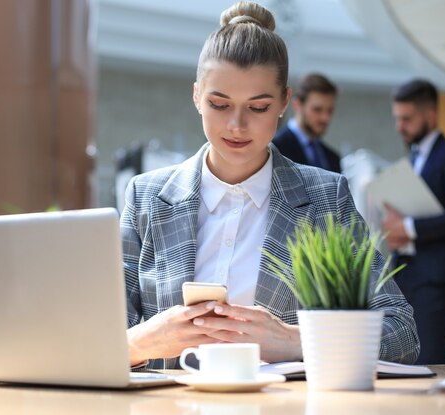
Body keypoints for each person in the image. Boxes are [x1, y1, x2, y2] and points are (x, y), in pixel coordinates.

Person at [121, 1, 419, 370]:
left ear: (284, 103)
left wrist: (294, 341)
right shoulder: (146, 197)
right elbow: (94, 338)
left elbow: (402, 333)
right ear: (197, 96)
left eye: (258, 108)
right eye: (219, 104)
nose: (236, 125)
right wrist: (146, 340)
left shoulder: (326, 199)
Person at [383, 79, 445, 364]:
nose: (400, 126)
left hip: (439, 275)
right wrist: (396, 229)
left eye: (407, 119)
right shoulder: (415, 157)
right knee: (403, 356)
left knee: (429, 358)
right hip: (408, 271)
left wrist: (410, 229)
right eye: (397, 118)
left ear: (430, 115)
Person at [272, 73, 341, 173]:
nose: (325, 118)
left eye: (330, 110)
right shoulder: (274, 148)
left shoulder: (333, 158)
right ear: (297, 105)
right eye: (317, 109)